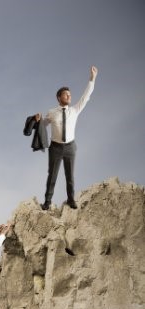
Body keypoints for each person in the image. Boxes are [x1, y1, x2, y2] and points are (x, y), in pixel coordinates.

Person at [35, 66, 98, 210]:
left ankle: (71, 199)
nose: (69, 96)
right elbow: (43, 125)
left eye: (70, 95)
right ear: (59, 97)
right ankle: (47, 202)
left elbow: (85, 97)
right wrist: (38, 121)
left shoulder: (75, 110)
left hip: (70, 147)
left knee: (70, 177)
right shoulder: (52, 112)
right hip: (55, 148)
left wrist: (92, 79)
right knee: (52, 176)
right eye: (66, 95)